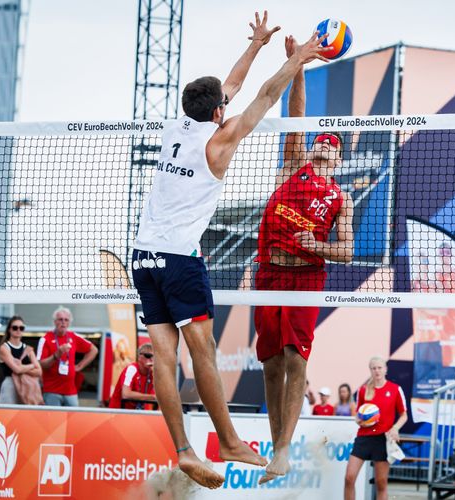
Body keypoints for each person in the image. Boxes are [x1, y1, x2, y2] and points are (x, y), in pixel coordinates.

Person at [131, 12, 329, 488]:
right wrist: (297, 60)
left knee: (163, 354)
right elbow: (262, 95)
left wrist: (257, 46)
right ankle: (230, 440)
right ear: (219, 112)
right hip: (180, 259)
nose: (226, 102)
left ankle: (183, 450)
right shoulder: (219, 142)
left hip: (143, 256)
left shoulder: (177, 126)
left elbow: (233, 85)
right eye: (223, 103)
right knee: (203, 350)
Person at [254, 34, 354, 484]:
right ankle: (278, 448)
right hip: (269, 273)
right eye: (322, 140)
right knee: (271, 362)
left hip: (307, 277)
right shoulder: (294, 165)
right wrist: (300, 66)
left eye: (333, 144)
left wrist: (320, 247)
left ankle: (283, 449)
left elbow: (347, 252)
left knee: (296, 358)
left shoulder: (340, 197)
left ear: (340, 155)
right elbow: (297, 115)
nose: (325, 144)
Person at [344, 357, 407, 500]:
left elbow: (404, 415)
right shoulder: (363, 390)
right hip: (364, 437)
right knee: (349, 478)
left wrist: (395, 428)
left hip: (383, 439)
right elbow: (358, 416)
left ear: (385, 369)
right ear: (370, 371)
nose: (377, 371)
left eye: (379, 367)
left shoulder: (395, 389)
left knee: (381, 483)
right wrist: (359, 420)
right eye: (373, 368)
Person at [36, 307, 98, 407]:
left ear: (69, 323)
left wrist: (80, 366)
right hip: (52, 391)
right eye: (60, 319)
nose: (63, 322)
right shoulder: (45, 339)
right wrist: (56, 355)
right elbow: (41, 364)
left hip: (71, 391)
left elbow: (93, 350)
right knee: (54, 422)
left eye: (66, 320)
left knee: (73, 421)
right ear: (55, 322)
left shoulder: (73, 336)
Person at [0, 315, 42, 404]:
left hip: (26, 385)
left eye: (21, 328)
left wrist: (23, 367)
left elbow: (39, 372)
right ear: (9, 329)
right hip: (10, 384)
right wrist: (33, 365)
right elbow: (17, 370)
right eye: (15, 327)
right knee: (8, 415)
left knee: (25, 415)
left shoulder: (28, 349)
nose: (18, 330)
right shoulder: (4, 348)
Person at [108, 343, 157, 410]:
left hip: (135, 412)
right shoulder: (132, 369)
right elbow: (126, 394)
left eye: (154, 357)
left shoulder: (152, 373)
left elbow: (159, 396)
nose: (151, 359)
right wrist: (152, 397)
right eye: (148, 356)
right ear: (139, 357)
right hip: (118, 411)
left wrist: (157, 374)